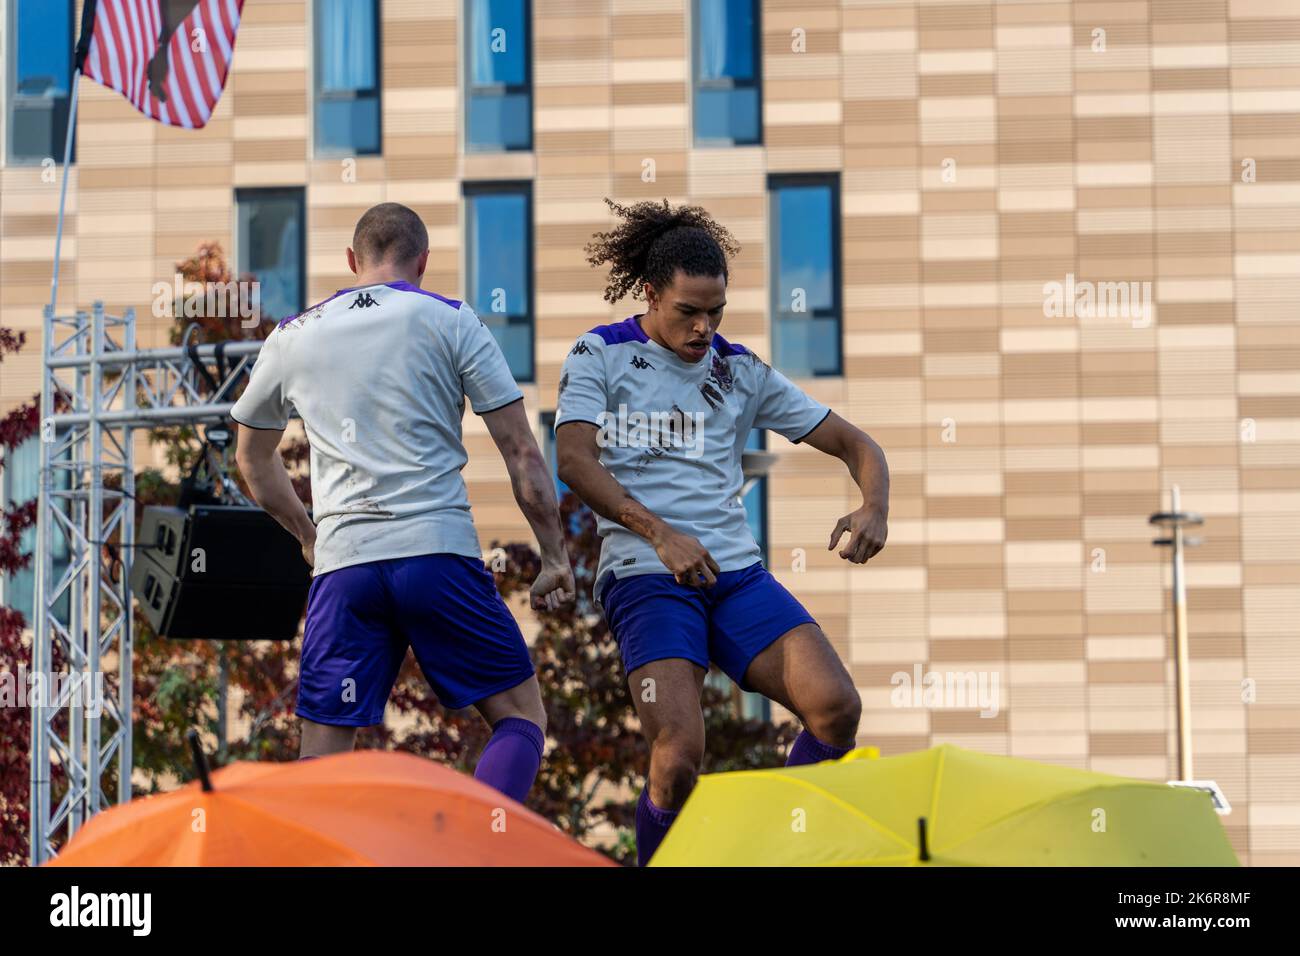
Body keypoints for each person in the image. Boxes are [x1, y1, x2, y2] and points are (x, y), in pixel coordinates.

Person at [554, 198, 890, 864]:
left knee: (836, 708)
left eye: (716, 312)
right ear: (651, 294)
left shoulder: (739, 371)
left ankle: (778, 854)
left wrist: (873, 505)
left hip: (736, 576)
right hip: (646, 578)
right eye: (688, 311)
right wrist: (659, 534)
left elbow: (856, 443)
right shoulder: (600, 353)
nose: (704, 327)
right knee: (678, 757)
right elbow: (571, 459)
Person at [232, 201, 573, 803]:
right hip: (436, 556)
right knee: (522, 717)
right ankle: (478, 854)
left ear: (350, 260)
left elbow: (252, 461)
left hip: (345, 567)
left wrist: (309, 536)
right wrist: (554, 556)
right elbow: (523, 454)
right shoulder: (453, 320)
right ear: (422, 262)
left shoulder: (293, 334)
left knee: (321, 763)